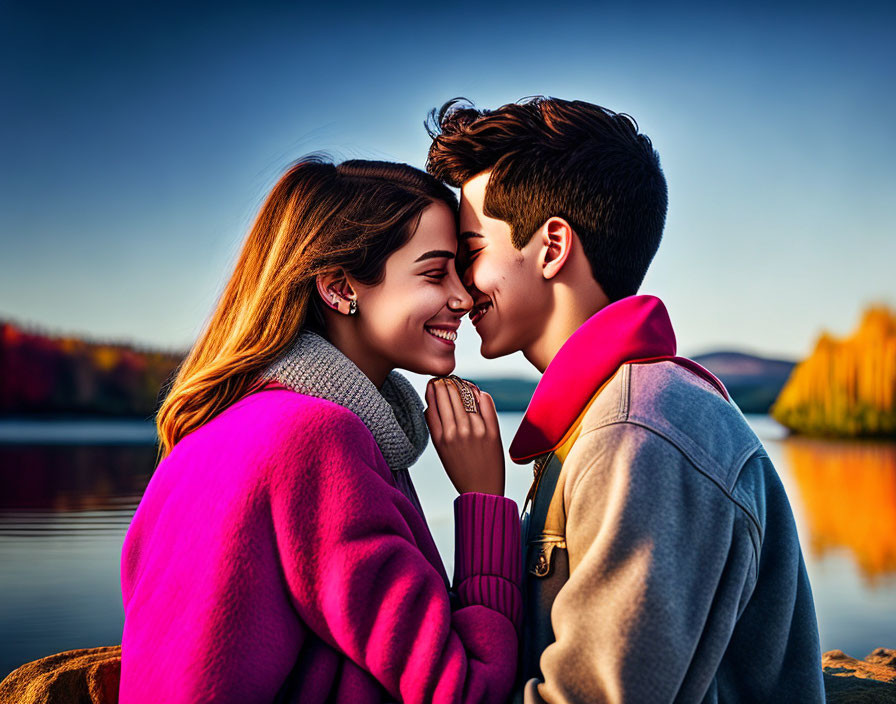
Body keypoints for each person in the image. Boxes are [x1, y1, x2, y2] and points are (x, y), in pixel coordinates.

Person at [424, 97, 825, 702]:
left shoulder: (639, 432)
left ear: (552, 248)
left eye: (471, 252)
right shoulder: (603, 417)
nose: (456, 285)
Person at [119, 158, 522, 704]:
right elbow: (466, 691)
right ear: (338, 288)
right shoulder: (315, 440)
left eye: (461, 271)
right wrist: (482, 501)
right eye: (434, 273)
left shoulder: (207, 433)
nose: (464, 296)